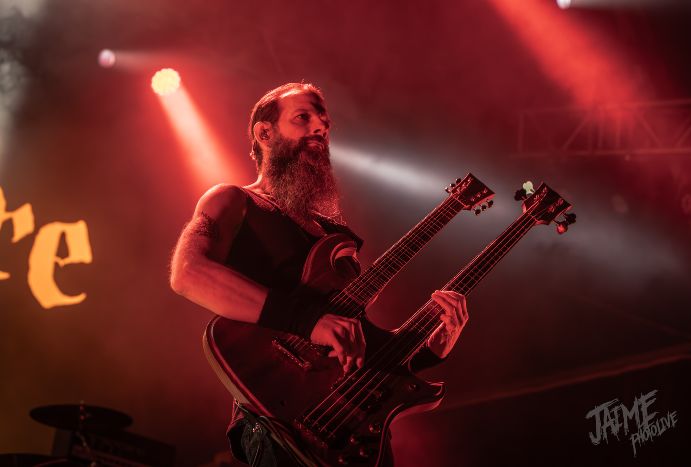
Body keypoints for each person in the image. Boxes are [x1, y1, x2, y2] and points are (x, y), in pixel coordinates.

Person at [169, 82, 469, 466]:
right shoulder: (233, 199)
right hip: (276, 423)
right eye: (303, 118)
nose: (319, 129)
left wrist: (426, 351)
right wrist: (310, 322)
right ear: (265, 133)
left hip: (349, 430)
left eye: (324, 124)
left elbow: (352, 348)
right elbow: (189, 272)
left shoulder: (336, 238)